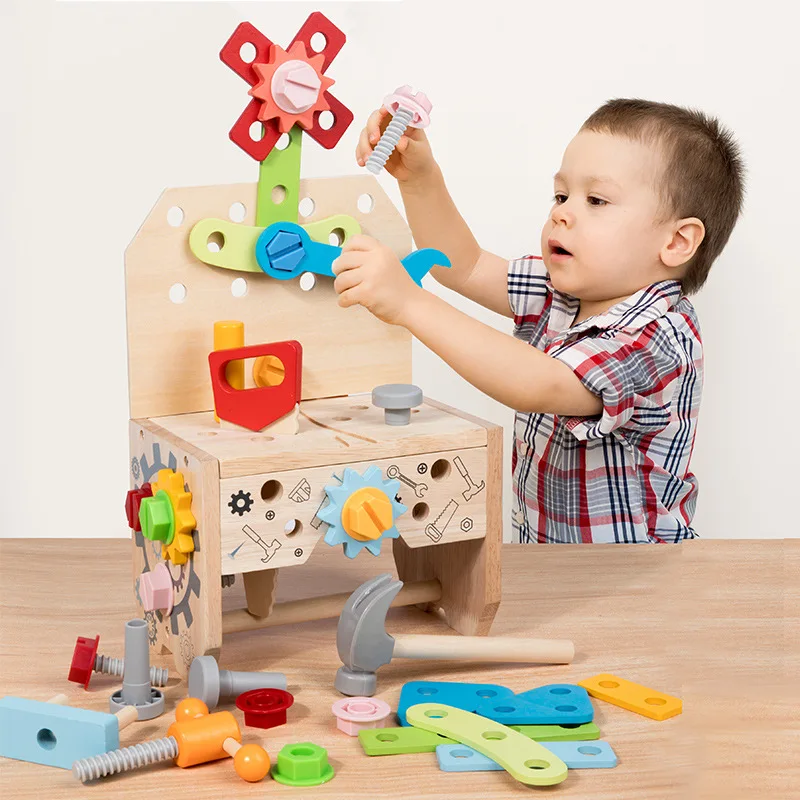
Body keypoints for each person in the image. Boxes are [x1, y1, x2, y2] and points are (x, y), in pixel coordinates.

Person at [331, 98, 745, 543]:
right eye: (561, 195)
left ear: (677, 242)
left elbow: (539, 383)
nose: (560, 213)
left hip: (636, 573)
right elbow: (464, 266)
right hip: (550, 558)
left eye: (597, 200)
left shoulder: (659, 337)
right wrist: (419, 179)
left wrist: (410, 304)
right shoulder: (562, 291)